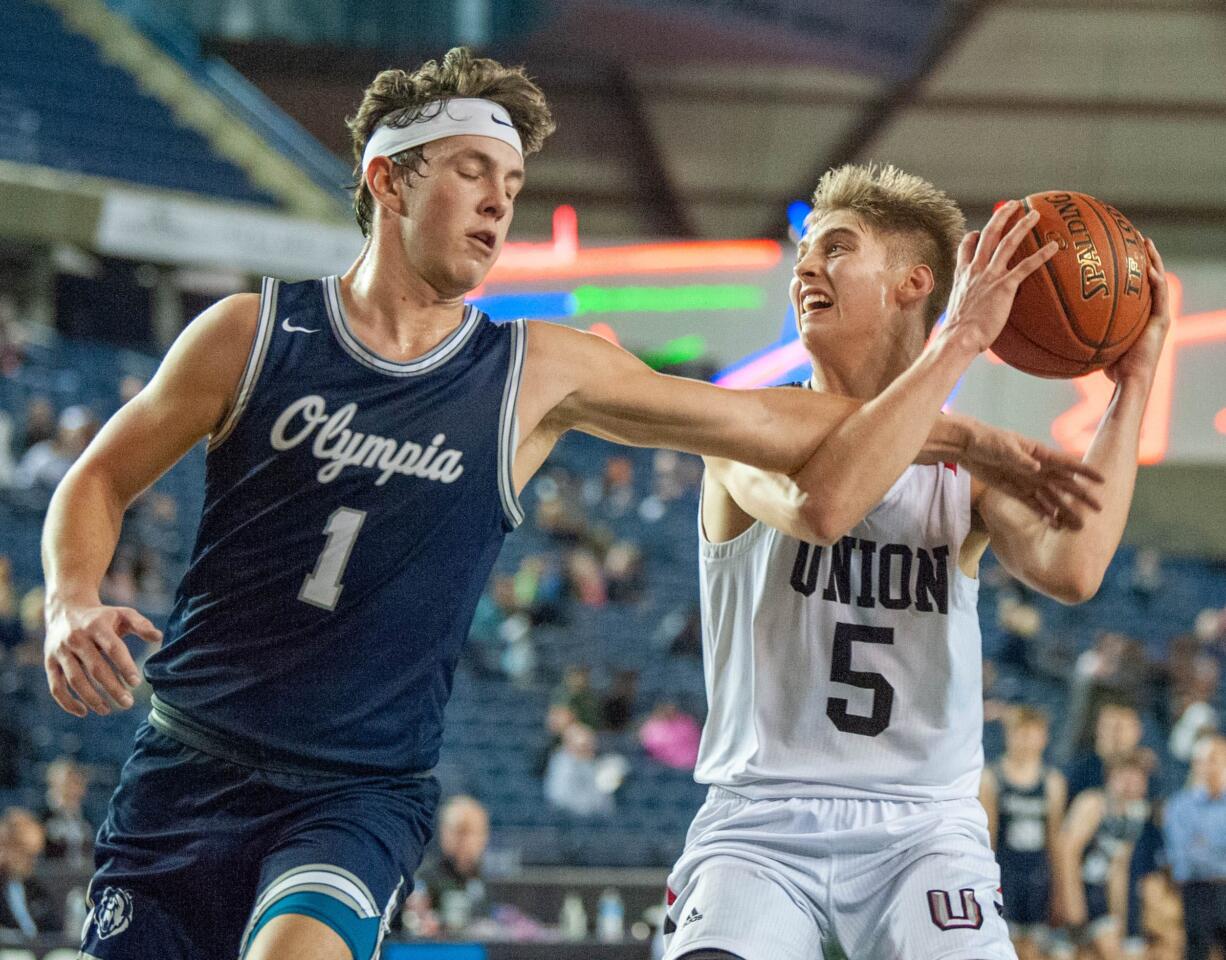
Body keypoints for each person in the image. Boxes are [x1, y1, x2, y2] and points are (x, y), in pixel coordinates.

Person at [41, 51, 1094, 960]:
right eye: (471, 172)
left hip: (353, 790)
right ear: (387, 179)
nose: (502, 202)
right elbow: (97, 477)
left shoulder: (533, 369)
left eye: (512, 179)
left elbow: (771, 427)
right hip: (189, 753)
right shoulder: (248, 332)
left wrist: (957, 432)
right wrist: (68, 599)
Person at [660, 163, 1171, 960]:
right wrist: (961, 339)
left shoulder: (964, 469)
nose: (804, 269)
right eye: (803, 253)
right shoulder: (751, 424)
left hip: (923, 827)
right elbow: (825, 506)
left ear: (912, 283)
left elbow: (1074, 568)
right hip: (761, 822)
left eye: (834, 248)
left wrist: (1134, 380)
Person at [980, 706, 1067, 960]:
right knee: (1006, 947)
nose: (1027, 741)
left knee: (1036, 949)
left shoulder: (1052, 781)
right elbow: (988, 839)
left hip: (1038, 877)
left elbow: (1055, 841)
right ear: (1009, 735)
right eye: (1020, 733)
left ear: (1044, 737)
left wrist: (1060, 890)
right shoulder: (991, 778)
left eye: (1033, 734)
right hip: (1006, 875)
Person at [1054, 753, 1152, 960]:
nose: (1130, 785)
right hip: (1072, 890)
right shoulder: (1094, 803)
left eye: (1136, 779)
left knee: (1115, 950)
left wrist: (1120, 919)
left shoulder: (1136, 813)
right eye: (1125, 777)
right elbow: (1066, 852)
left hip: (1099, 894)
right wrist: (1072, 905)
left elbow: (1120, 868)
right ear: (1111, 778)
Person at [1162, 733, 1226, 960]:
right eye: (1201, 761)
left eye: (1214, 759)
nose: (1208, 767)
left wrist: (1205, 845)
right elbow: (1185, 857)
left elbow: (1200, 851)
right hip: (1196, 891)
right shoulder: (1180, 805)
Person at [402, 795, 492, 937]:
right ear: (445, 833)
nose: (466, 841)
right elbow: (413, 921)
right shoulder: (425, 876)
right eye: (460, 831)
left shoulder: (481, 876)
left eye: (473, 832)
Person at [0, 808, 53, 938]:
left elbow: (53, 925)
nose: (32, 863)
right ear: (5, 846)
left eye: (35, 856)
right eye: (27, 855)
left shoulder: (33, 885)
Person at [38, 757, 93, 868]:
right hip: (50, 878)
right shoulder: (42, 817)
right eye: (68, 783)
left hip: (81, 877)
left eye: (77, 783)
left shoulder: (87, 819)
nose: (73, 789)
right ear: (54, 783)